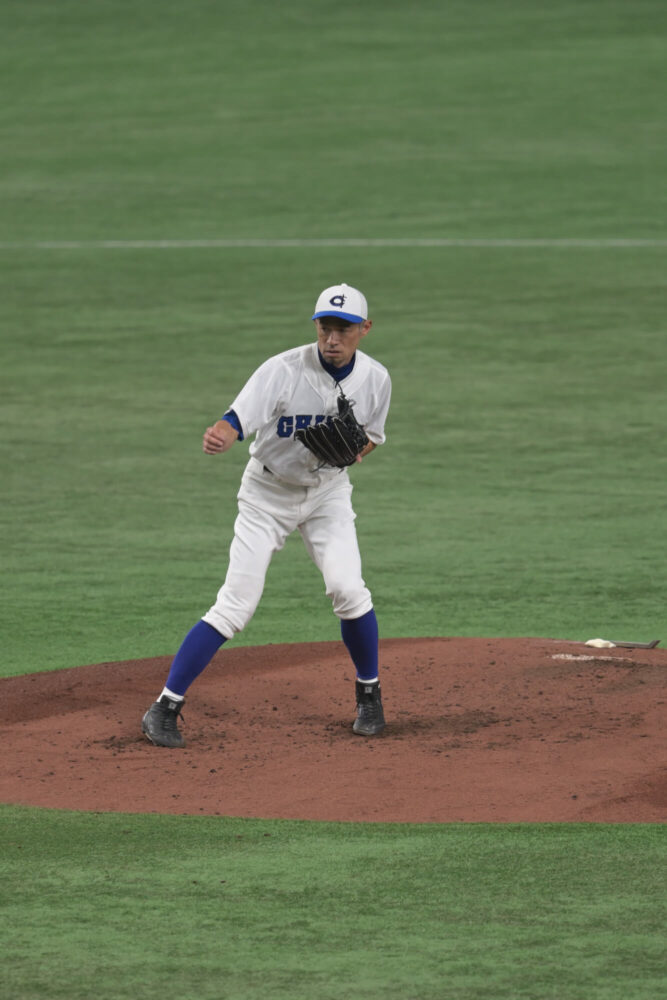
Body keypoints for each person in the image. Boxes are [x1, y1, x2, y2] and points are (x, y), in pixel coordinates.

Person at [141, 282, 392, 748]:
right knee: (236, 605)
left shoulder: (376, 379)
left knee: (348, 588)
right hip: (266, 494)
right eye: (325, 327)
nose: (332, 338)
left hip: (326, 495)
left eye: (343, 328)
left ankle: (369, 695)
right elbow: (236, 418)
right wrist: (222, 433)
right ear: (315, 326)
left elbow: (371, 436)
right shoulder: (282, 370)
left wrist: (353, 452)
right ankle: (164, 707)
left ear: (364, 329)